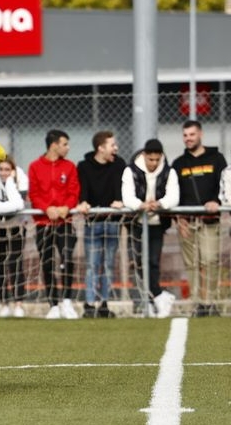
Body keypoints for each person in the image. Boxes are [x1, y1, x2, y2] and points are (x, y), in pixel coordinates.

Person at [171, 120, 227, 317]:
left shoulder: (217, 159)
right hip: (187, 223)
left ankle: (210, 301)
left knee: (210, 260)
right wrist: (177, 218)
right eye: (185, 135)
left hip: (209, 221)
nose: (188, 138)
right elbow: (172, 193)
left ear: (200, 134)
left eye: (192, 134)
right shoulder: (178, 164)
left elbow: (225, 185)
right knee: (191, 263)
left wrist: (217, 203)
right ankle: (197, 303)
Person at [121, 139, 179, 318]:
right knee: (138, 262)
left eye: (156, 159)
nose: (153, 163)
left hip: (157, 224)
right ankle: (159, 296)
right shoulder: (131, 171)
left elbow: (174, 197)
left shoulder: (169, 172)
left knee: (153, 262)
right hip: (137, 223)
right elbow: (127, 197)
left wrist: (159, 204)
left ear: (161, 157)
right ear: (144, 155)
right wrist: (141, 205)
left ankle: (156, 299)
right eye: (150, 159)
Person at [28, 129, 81, 320]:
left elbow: (74, 191)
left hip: (65, 223)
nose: (68, 148)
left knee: (67, 258)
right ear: (54, 145)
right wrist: (46, 208)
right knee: (47, 263)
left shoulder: (70, 167)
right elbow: (34, 194)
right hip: (43, 223)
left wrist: (66, 207)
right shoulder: (34, 166)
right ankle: (53, 304)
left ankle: (67, 301)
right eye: (65, 144)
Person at [76, 131, 126, 319]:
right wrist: (83, 202)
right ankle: (89, 304)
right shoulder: (84, 166)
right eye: (112, 145)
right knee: (91, 264)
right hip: (92, 222)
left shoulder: (119, 164)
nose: (116, 148)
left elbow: (122, 188)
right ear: (101, 148)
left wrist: (120, 201)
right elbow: (83, 191)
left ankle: (104, 303)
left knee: (108, 264)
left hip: (112, 222)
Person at [0, 156, 28, 318]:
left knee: (16, 262)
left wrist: (10, 184)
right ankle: (3, 303)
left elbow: (19, 204)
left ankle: (18, 303)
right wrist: (8, 207)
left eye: (7, 170)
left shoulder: (21, 178)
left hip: (16, 226)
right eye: (1, 169)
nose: (3, 173)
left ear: (13, 171)